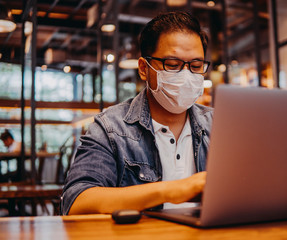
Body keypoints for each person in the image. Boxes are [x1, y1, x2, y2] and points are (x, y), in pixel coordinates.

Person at [61, 11, 213, 215]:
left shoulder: (219, 125)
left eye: (195, 66)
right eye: (172, 65)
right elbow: (76, 202)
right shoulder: (110, 128)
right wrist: (170, 190)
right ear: (144, 68)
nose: (186, 75)